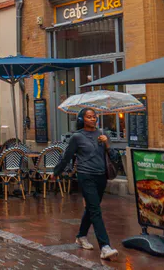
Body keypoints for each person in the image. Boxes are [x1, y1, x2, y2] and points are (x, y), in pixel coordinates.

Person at [53, 107, 120, 261]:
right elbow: (66, 157)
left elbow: (114, 156)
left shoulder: (102, 134)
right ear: (82, 120)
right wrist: (56, 173)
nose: (93, 119)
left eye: (94, 116)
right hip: (86, 176)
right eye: (89, 117)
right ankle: (105, 247)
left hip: (101, 176)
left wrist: (107, 144)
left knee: (92, 208)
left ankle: (81, 236)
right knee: (95, 209)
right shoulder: (77, 137)